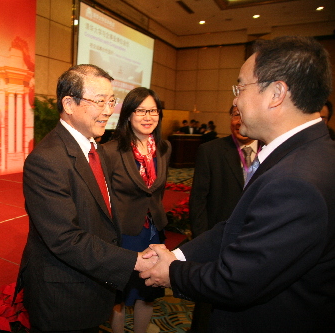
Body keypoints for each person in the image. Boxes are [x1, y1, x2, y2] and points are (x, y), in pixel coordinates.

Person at [141, 35, 335, 332]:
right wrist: (178, 254)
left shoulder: (297, 181)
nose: (235, 99)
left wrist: (172, 272)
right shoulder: (305, 153)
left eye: (240, 87)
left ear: (276, 93)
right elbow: (238, 227)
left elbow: (236, 281)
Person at [16, 64, 157, 333]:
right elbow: (65, 238)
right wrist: (134, 261)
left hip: (92, 281)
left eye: (111, 101)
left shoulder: (95, 149)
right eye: (100, 101)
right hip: (63, 293)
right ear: (69, 104)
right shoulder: (47, 160)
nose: (108, 110)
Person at [102, 87, 171, 333]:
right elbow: (104, 197)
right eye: (140, 110)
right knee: (119, 296)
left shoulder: (164, 148)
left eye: (152, 110)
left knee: (148, 291)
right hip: (125, 234)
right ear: (128, 115)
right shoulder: (110, 151)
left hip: (153, 233)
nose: (147, 116)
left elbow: (157, 192)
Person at [187, 105, 261, 332]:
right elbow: (198, 201)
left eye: (245, 115)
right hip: (216, 243)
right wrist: (202, 243)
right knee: (206, 304)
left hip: (256, 242)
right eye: (235, 115)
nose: (239, 121)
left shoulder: (271, 151)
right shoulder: (210, 151)